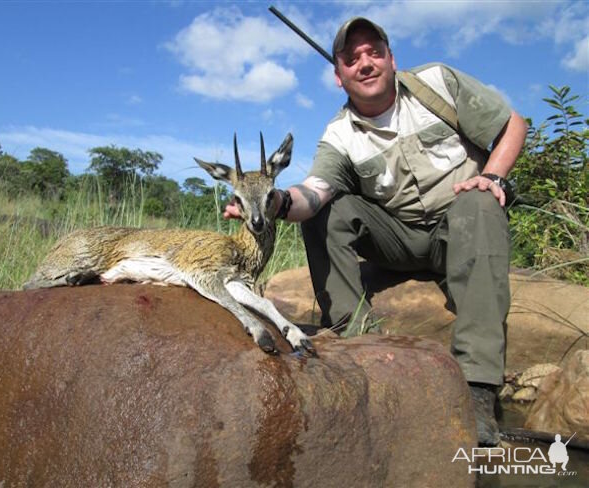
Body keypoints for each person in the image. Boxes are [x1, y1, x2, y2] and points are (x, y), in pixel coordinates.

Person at [225, 17, 527, 446]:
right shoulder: (338, 134)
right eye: (351, 59)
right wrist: (275, 203)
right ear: (338, 75)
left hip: (462, 227)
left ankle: (477, 391)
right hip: (397, 240)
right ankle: (363, 352)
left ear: (391, 58)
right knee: (328, 211)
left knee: (478, 202)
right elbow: (314, 192)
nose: (364, 64)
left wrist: (493, 177)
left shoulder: (437, 83)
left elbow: (512, 124)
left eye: (373, 53)